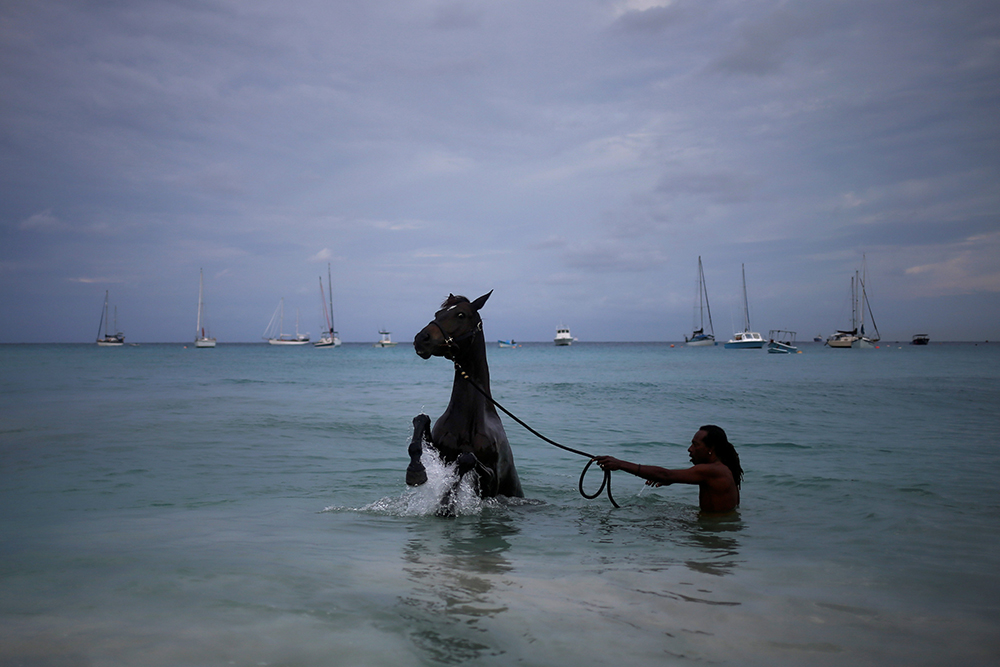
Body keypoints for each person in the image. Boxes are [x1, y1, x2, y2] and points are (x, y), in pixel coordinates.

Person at [593, 425, 743, 513]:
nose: (690, 449)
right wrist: (670, 480)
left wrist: (620, 464)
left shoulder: (713, 470)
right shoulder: (719, 469)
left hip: (715, 535)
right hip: (719, 530)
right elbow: (669, 476)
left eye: (695, 445)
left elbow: (665, 474)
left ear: (711, 449)